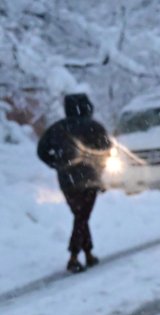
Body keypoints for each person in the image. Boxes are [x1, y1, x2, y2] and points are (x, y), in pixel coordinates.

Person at [37, 93, 111, 273]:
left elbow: (42, 151)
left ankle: (88, 254)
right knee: (82, 217)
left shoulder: (56, 129)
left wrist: (57, 164)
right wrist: (98, 167)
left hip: (67, 181)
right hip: (89, 179)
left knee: (80, 216)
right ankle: (74, 257)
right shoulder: (94, 127)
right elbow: (106, 150)